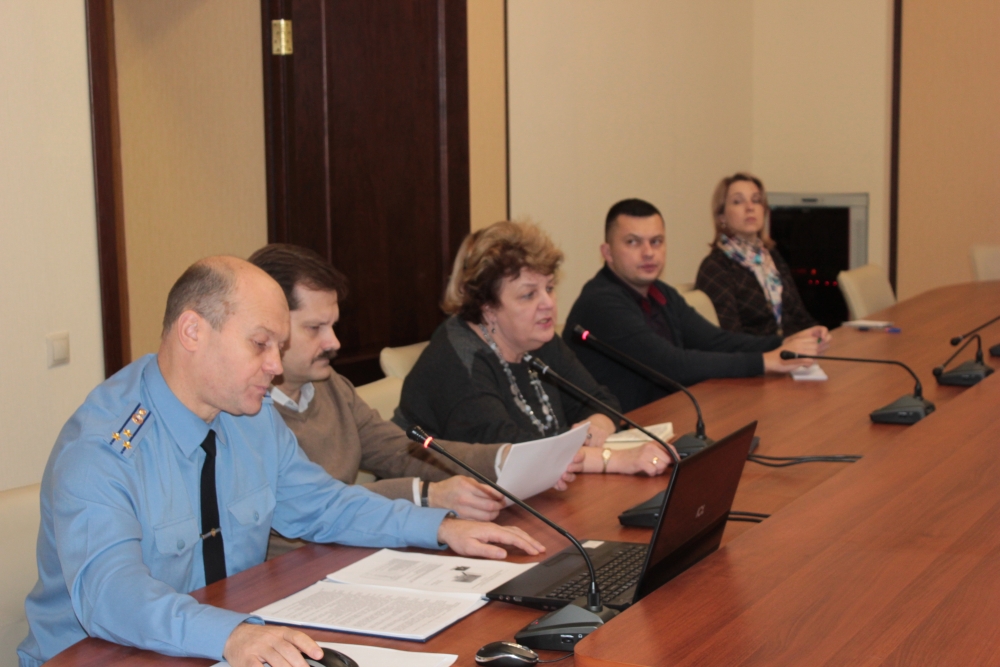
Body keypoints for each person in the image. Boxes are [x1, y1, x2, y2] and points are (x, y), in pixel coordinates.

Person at [19, 256, 543, 667]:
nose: (275, 367)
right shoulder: (104, 448)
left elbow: (323, 506)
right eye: (260, 345)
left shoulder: (248, 417)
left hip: (221, 642)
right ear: (193, 331)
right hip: (107, 655)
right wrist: (231, 634)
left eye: (279, 346)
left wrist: (440, 528)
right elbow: (112, 598)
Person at [249, 244, 578, 527]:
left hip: (350, 546)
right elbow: (313, 503)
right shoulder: (246, 408)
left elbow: (401, 451)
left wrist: (505, 459)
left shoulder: (331, 385)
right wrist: (426, 495)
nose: (333, 342)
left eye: (332, 326)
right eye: (315, 328)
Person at [393, 221, 670, 477]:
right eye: (528, 295)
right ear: (487, 307)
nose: (548, 303)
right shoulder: (457, 360)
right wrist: (611, 459)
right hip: (436, 500)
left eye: (549, 287)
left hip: (535, 489)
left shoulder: (536, 338)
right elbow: (506, 454)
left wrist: (598, 425)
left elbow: (601, 400)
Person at [564, 199, 831, 413]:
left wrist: (784, 343)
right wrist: (765, 361)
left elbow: (716, 341)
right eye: (633, 242)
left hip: (667, 418)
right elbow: (672, 365)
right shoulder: (601, 303)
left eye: (656, 241)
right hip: (622, 435)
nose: (648, 252)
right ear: (607, 252)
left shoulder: (661, 293)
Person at [695, 172, 818, 336]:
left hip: (792, 347)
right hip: (761, 352)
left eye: (756, 200)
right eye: (738, 201)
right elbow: (730, 338)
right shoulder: (715, 267)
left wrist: (818, 333)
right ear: (722, 216)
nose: (750, 207)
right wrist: (785, 344)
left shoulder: (771, 257)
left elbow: (799, 315)